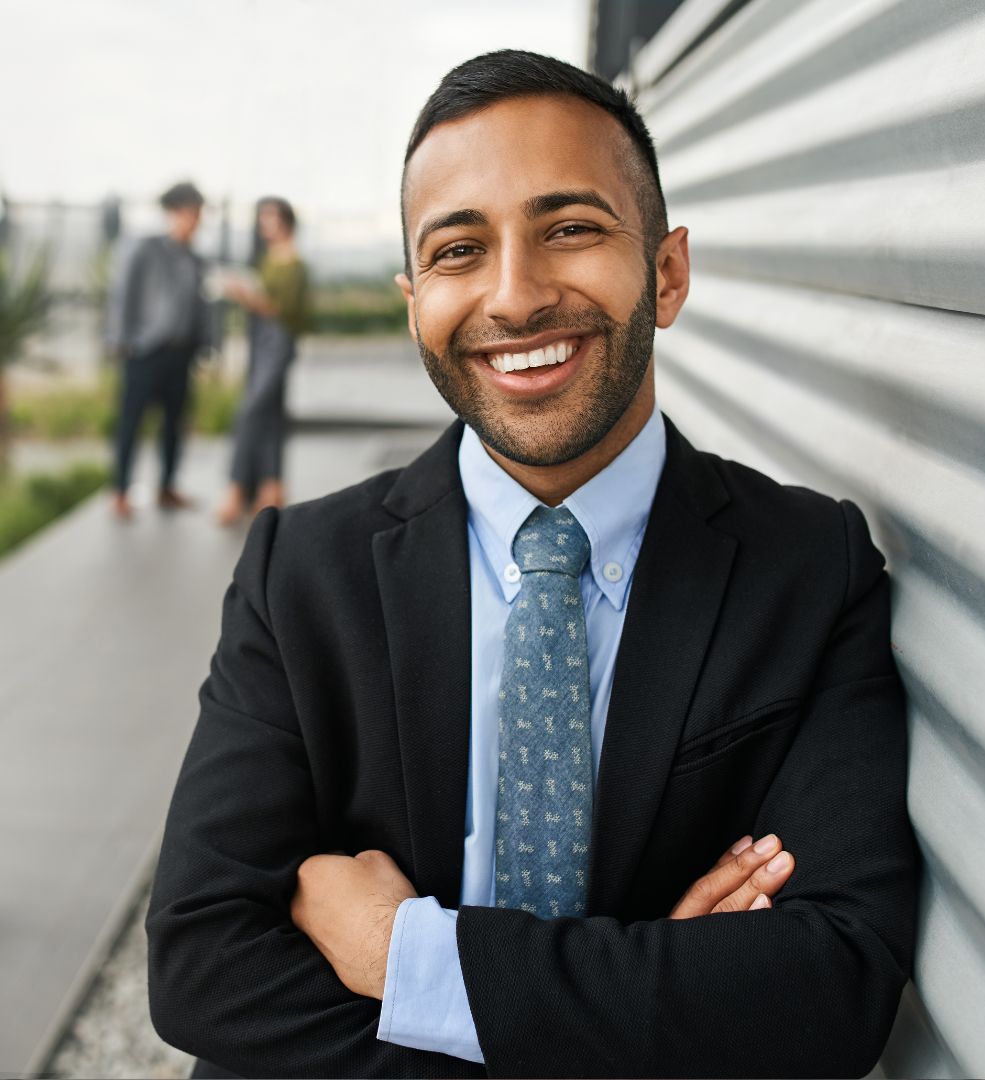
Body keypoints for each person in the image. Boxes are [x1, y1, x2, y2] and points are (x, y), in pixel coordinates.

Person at [147, 51, 917, 1079]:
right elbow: (203, 962)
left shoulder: (809, 568)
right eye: (460, 250)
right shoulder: (304, 573)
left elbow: (833, 980)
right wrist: (647, 1003)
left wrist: (407, 957)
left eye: (571, 229)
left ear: (669, 271)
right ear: (414, 300)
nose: (515, 297)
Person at [106, 181, 210, 519]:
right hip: (145, 352)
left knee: (174, 423)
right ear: (176, 212)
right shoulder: (145, 248)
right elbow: (124, 295)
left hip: (182, 354)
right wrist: (122, 342)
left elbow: (202, 306)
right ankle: (120, 492)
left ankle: (166, 487)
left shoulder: (196, 258)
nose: (197, 220)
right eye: (193, 212)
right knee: (131, 422)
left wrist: (206, 345)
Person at [215, 197, 310, 526]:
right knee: (269, 416)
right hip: (259, 343)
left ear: (285, 220)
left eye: (270, 217)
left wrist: (245, 295)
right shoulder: (269, 258)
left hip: (277, 344)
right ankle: (271, 488)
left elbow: (283, 311)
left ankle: (236, 488)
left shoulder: (294, 262)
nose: (264, 224)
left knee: (250, 412)